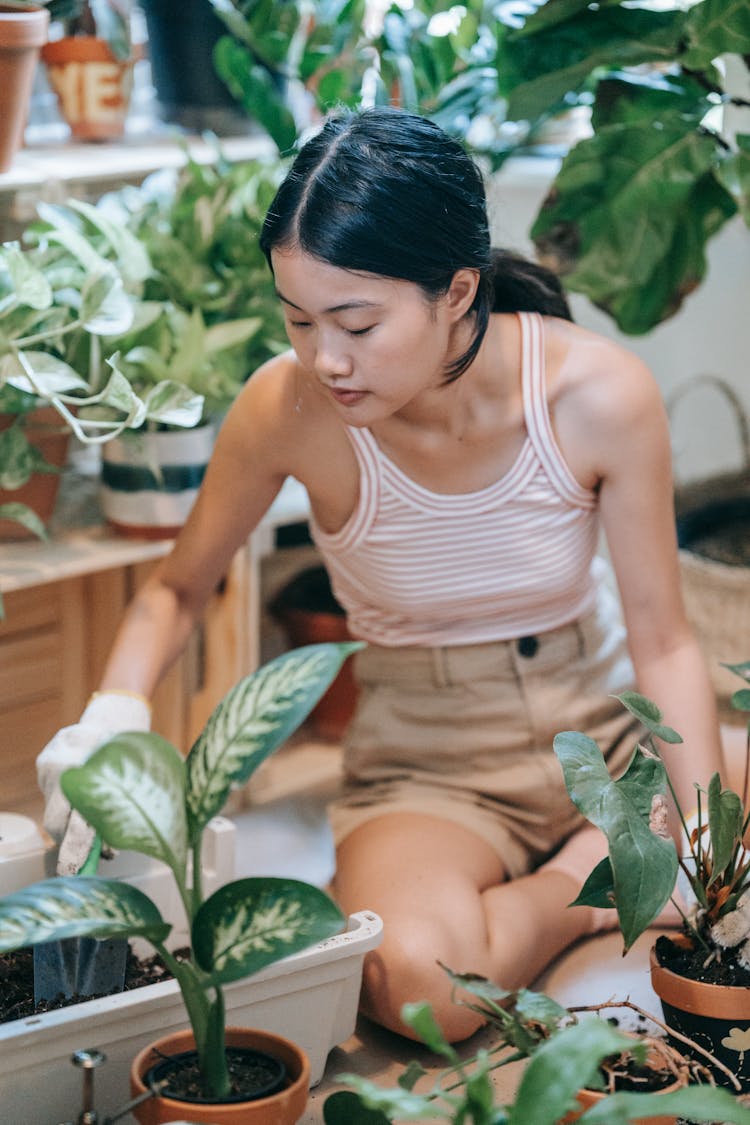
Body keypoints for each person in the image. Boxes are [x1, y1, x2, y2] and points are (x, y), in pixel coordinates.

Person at [37, 106, 725, 1043]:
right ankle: (590, 882)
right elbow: (176, 588)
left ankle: (614, 856)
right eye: (299, 320)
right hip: (427, 764)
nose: (325, 358)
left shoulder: (597, 393)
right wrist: (109, 713)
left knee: (724, 824)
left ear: (456, 292)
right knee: (418, 988)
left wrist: (701, 839)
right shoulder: (286, 408)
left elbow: (666, 638)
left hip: (602, 730)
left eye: (356, 322)